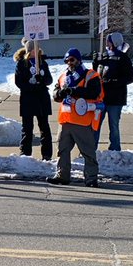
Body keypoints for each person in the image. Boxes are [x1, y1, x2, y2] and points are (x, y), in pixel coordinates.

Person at [48, 48, 103, 187]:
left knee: (88, 152)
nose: (69, 63)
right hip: (65, 120)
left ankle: (91, 178)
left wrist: (74, 91)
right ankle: (62, 176)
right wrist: (60, 93)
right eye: (67, 60)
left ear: (79, 60)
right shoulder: (63, 77)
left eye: (72, 60)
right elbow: (55, 94)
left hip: (82, 121)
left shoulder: (91, 75)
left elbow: (94, 92)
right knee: (62, 150)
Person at [94, 31, 133, 152]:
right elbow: (96, 74)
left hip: (115, 99)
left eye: (109, 40)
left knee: (114, 125)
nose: (106, 43)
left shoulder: (123, 58)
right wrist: (96, 62)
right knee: (95, 125)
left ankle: (115, 149)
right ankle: (91, 148)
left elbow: (130, 77)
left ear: (114, 42)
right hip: (101, 97)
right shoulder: (105, 56)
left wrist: (114, 82)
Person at [13, 38, 53, 161]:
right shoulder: (21, 64)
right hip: (28, 100)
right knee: (27, 128)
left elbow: (49, 80)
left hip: (42, 99)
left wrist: (41, 80)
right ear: (29, 51)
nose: (36, 51)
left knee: (44, 127)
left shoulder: (42, 62)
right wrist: (31, 86)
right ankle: (25, 153)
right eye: (33, 49)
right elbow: (19, 82)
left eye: (37, 48)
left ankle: (46, 154)